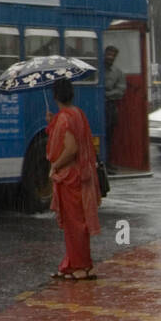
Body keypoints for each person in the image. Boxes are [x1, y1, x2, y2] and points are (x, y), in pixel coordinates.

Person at [46, 77, 101, 280]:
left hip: (69, 176)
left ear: (55, 96)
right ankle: (77, 265)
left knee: (74, 224)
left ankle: (79, 267)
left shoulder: (64, 118)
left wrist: (55, 165)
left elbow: (71, 149)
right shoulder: (77, 113)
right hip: (81, 174)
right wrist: (52, 121)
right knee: (80, 222)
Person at [103, 46, 125, 171]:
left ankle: (107, 162)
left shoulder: (118, 72)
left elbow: (120, 91)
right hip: (97, 106)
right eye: (108, 54)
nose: (110, 57)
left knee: (108, 136)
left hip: (109, 107)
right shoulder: (97, 69)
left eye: (113, 55)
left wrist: (105, 94)